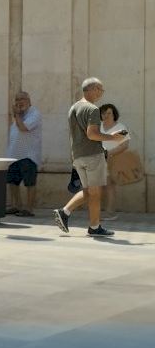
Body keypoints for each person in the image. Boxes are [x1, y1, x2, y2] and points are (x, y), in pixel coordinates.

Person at [53, 78, 127, 237]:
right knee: (95, 193)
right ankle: (94, 227)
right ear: (93, 89)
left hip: (78, 156)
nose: (101, 93)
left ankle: (65, 212)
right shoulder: (93, 109)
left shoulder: (74, 107)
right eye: (101, 89)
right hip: (92, 155)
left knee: (89, 192)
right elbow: (92, 134)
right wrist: (113, 138)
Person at [4, 91, 41, 217]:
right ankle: (17, 206)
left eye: (22, 99)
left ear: (29, 101)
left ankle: (29, 209)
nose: (19, 102)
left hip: (29, 155)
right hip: (14, 155)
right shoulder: (19, 115)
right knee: (12, 182)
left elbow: (23, 128)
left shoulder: (34, 113)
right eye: (17, 100)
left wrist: (16, 115)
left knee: (29, 183)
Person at [99, 103, 130, 221]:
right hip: (97, 161)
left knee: (109, 186)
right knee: (97, 187)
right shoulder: (98, 127)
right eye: (103, 113)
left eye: (109, 113)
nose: (106, 115)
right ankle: (97, 212)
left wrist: (108, 153)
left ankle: (110, 213)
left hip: (112, 161)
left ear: (114, 114)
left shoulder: (121, 127)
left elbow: (125, 145)